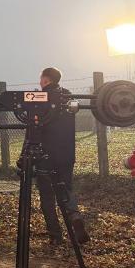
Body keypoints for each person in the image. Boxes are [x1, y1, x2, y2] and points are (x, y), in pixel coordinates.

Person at [35, 67, 89, 245]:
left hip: (44, 155)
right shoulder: (68, 98)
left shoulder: (40, 99)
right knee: (66, 190)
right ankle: (74, 216)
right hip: (66, 154)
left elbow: (33, 128)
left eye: (41, 78)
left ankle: (55, 236)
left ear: (45, 80)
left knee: (47, 197)